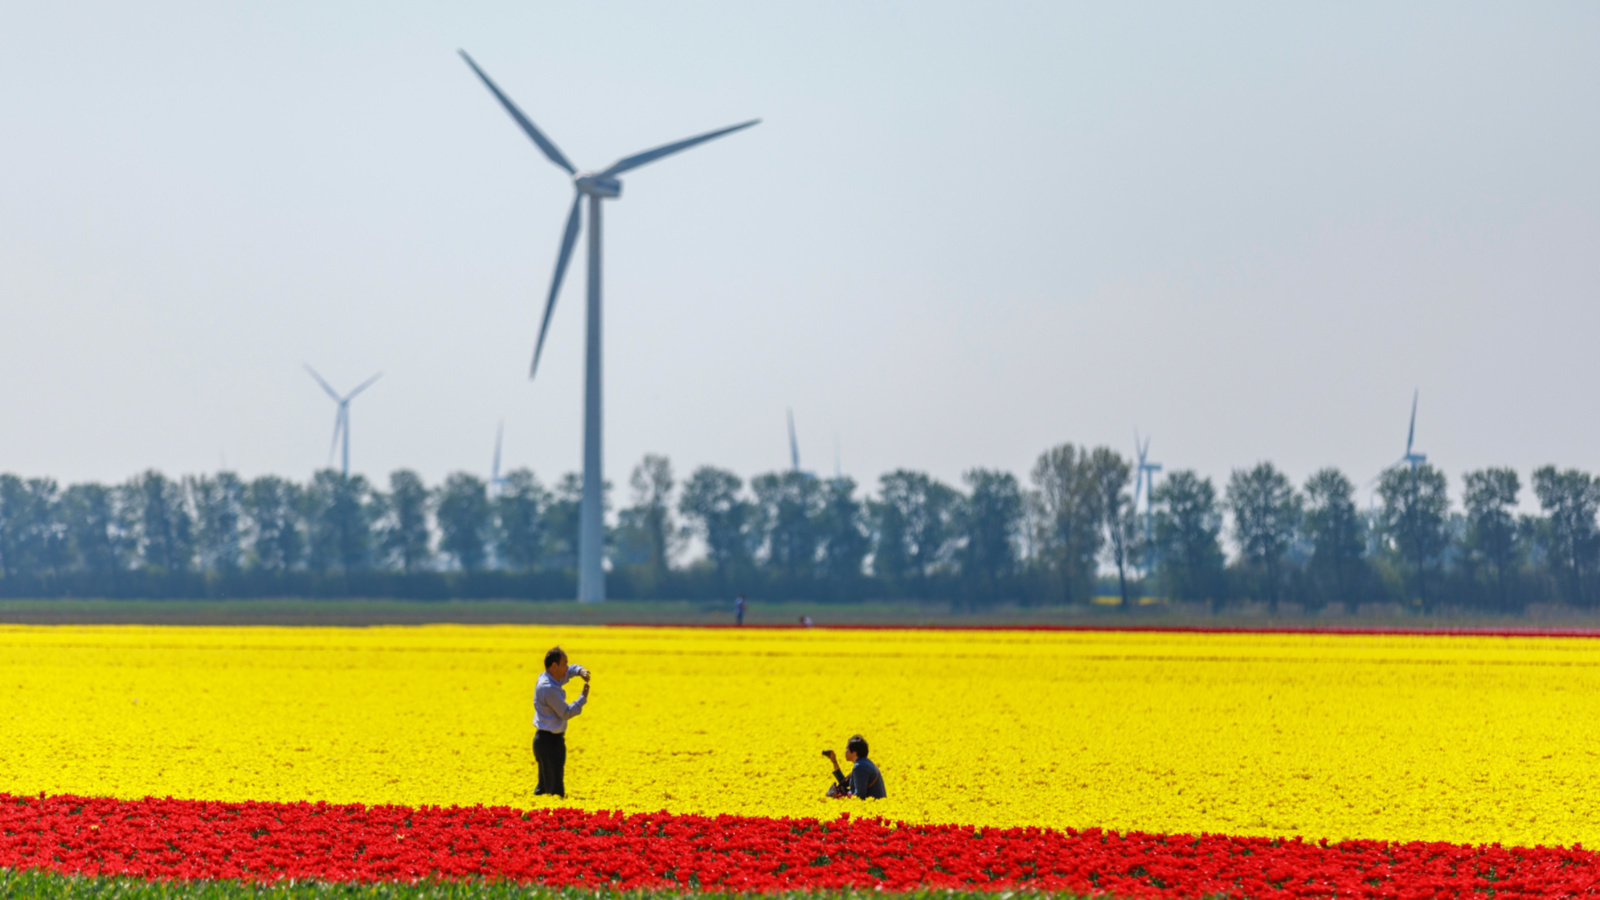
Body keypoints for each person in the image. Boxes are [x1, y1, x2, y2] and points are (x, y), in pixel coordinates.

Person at [533, 645, 590, 798]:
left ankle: (541, 810)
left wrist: (579, 671)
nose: (567, 668)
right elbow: (566, 712)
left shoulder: (547, 677)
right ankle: (548, 812)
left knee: (546, 787)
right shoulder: (548, 688)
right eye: (564, 664)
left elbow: (566, 673)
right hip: (549, 742)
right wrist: (583, 698)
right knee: (554, 789)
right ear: (554, 666)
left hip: (547, 740)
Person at [823, 733, 886, 799]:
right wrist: (834, 761)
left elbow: (860, 795)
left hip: (872, 804)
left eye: (846, 748)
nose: (845, 752)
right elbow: (844, 783)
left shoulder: (860, 767)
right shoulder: (864, 763)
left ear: (854, 752)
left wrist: (841, 796)